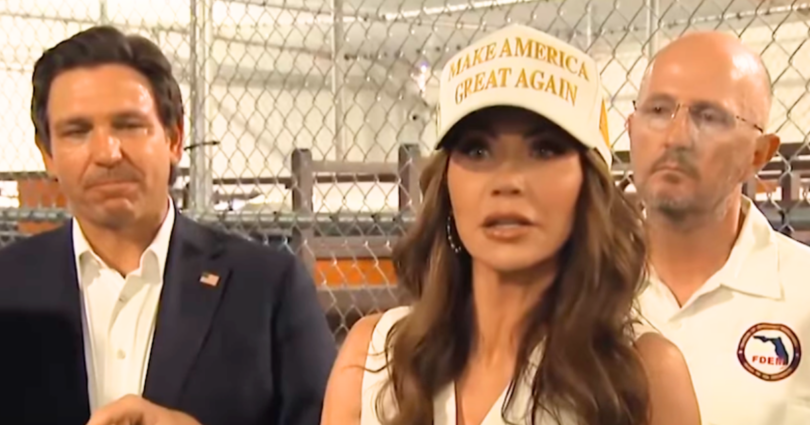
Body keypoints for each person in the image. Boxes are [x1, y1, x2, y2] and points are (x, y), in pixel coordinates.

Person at [321, 24, 700, 425]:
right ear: (446, 185)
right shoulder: (372, 362)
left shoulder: (646, 376)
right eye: (477, 149)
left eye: (544, 149)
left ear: (590, 184)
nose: (507, 180)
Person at [0, 26, 336, 425]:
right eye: (77, 131)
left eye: (129, 125)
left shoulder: (267, 288)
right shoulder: (8, 287)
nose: (107, 153)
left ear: (174, 139)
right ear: (48, 155)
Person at [628, 31, 810, 425]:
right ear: (630, 130)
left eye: (709, 117)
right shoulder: (573, 286)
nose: (675, 137)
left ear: (758, 154)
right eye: (658, 110)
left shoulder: (803, 292)